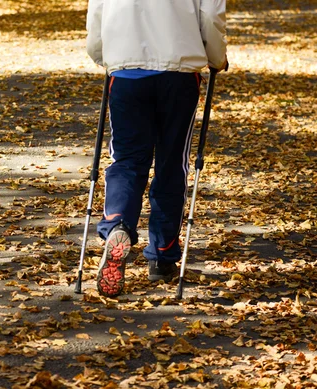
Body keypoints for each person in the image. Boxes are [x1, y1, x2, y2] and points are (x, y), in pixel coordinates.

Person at [86, 0, 228, 297]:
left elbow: (96, 16)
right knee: (171, 163)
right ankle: (162, 254)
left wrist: (103, 57)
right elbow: (212, 16)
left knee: (126, 160)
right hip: (178, 75)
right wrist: (216, 58)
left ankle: (117, 226)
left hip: (126, 73)